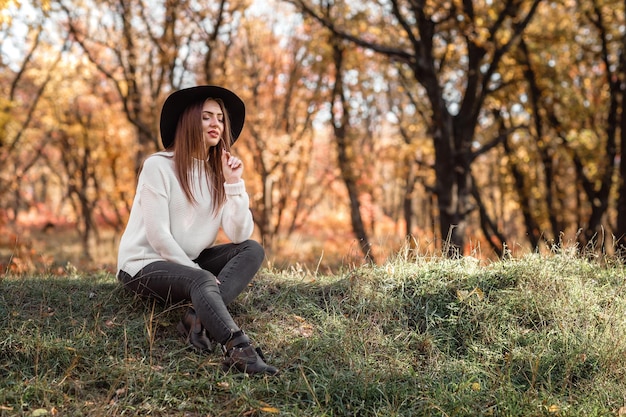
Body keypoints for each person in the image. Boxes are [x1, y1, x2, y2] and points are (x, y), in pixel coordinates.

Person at [116, 85, 278, 376]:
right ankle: (239, 350)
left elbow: (239, 234)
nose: (216, 123)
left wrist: (234, 184)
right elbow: (159, 237)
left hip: (190, 265)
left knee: (252, 249)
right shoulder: (158, 166)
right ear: (189, 121)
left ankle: (196, 317)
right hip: (144, 265)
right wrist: (196, 273)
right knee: (201, 279)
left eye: (219, 117)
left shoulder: (218, 173)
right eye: (206, 117)